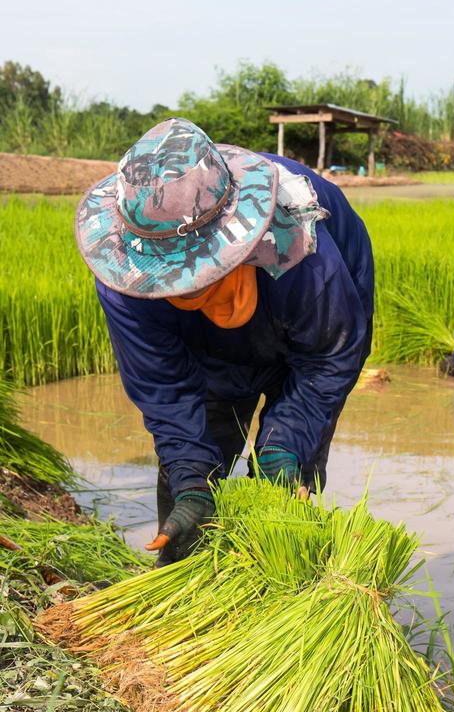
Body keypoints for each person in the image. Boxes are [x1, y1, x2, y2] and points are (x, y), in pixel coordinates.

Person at [74, 117, 374, 564]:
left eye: (190, 280)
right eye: (169, 282)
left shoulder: (300, 246)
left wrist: (287, 442)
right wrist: (190, 479)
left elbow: (330, 356)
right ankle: (181, 578)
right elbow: (165, 387)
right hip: (204, 347)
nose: (179, 288)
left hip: (302, 331)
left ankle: (281, 598)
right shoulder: (127, 277)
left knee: (283, 485)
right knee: (190, 496)